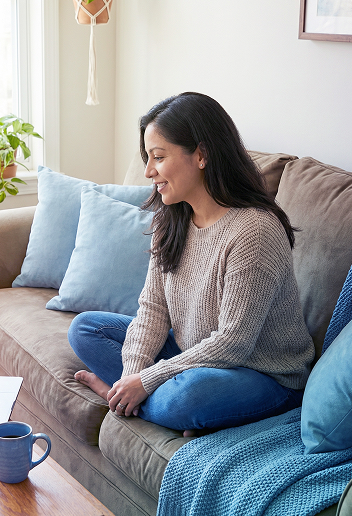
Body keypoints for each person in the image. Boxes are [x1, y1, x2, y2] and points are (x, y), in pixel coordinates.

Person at [68, 92, 315, 437]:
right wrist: (131, 377)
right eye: (147, 157)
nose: (148, 171)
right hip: (195, 353)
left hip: (264, 374)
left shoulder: (253, 231)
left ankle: (138, 402)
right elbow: (153, 309)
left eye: (158, 157)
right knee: (86, 329)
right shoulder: (172, 218)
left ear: (200, 155)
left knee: (187, 397)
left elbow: (233, 343)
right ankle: (129, 398)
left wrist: (148, 379)